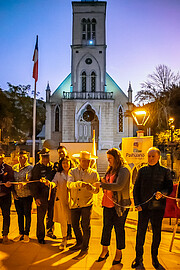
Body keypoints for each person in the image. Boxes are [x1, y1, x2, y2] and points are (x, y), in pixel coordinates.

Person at [131, 147, 173, 269]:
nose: (150, 158)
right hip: (143, 208)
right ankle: (138, 258)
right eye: (149, 156)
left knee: (156, 234)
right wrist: (137, 204)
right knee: (140, 234)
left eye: (152, 156)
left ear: (158, 157)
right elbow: (136, 189)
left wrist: (163, 193)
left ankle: (154, 258)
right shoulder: (142, 170)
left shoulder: (165, 171)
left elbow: (169, 188)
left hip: (158, 208)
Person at [94, 148, 131, 265]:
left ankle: (119, 253)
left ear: (116, 158)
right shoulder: (110, 169)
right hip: (107, 204)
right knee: (106, 228)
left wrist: (102, 184)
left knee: (119, 229)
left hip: (119, 205)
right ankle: (104, 251)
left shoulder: (124, 170)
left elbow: (119, 186)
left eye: (110, 159)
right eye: (108, 159)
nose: (108, 161)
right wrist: (103, 182)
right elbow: (108, 184)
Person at [67, 151, 100, 260]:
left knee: (85, 225)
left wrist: (92, 189)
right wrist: (80, 184)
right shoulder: (72, 171)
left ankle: (85, 247)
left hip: (87, 203)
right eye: (84, 161)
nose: (86, 163)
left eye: (88, 161)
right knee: (75, 224)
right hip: (74, 202)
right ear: (79, 161)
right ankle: (79, 242)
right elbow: (69, 184)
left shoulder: (94, 173)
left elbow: (97, 190)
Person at [30, 148, 56, 244]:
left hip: (51, 195)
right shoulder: (37, 168)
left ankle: (50, 231)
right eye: (43, 157)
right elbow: (33, 184)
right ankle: (40, 236)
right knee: (40, 217)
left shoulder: (53, 167)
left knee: (51, 215)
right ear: (40, 157)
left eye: (47, 157)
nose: (45, 159)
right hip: (41, 196)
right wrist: (36, 197)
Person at [53, 156, 74, 250]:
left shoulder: (73, 173)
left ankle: (77, 239)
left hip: (73, 201)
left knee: (74, 220)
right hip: (62, 200)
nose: (65, 164)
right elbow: (54, 182)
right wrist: (50, 184)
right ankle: (64, 239)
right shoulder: (58, 174)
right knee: (63, 221)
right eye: (63, 163)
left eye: (67, 162)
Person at [13, 150, 33, 243]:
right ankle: (21, 233)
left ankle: (26, 234)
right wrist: (14, 193)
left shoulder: (30, 168)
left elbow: (30, 180)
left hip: (27, 195)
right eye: (20, 157)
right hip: (17, 195)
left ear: (27, 158)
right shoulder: (14, 168)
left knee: (27, 215)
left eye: (24, 157)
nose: (22, 159)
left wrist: (25, 183)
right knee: (19, 215)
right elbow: (12, 180)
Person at [0, 149, 14, 243]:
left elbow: (12, 179)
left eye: (2, 155)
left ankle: (5, 234)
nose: (0, 158)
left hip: (5, 196)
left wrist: (9, 183)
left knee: (6, 215)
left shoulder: (8, 168)